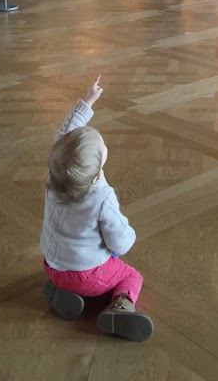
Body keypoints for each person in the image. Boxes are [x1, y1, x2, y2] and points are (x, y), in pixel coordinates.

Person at [41, 76, 154, 342]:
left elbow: (65, 136)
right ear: (96, 173)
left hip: (52, 265)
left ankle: (62, 293)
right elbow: (120, 242)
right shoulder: (102, 197)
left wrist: (88, 100)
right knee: (131, 275)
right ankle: (120, 310)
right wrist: (130, 234)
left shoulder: (55, 172)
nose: (105, 147)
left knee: (72, 273)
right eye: (103, 148)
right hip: (85, 275)